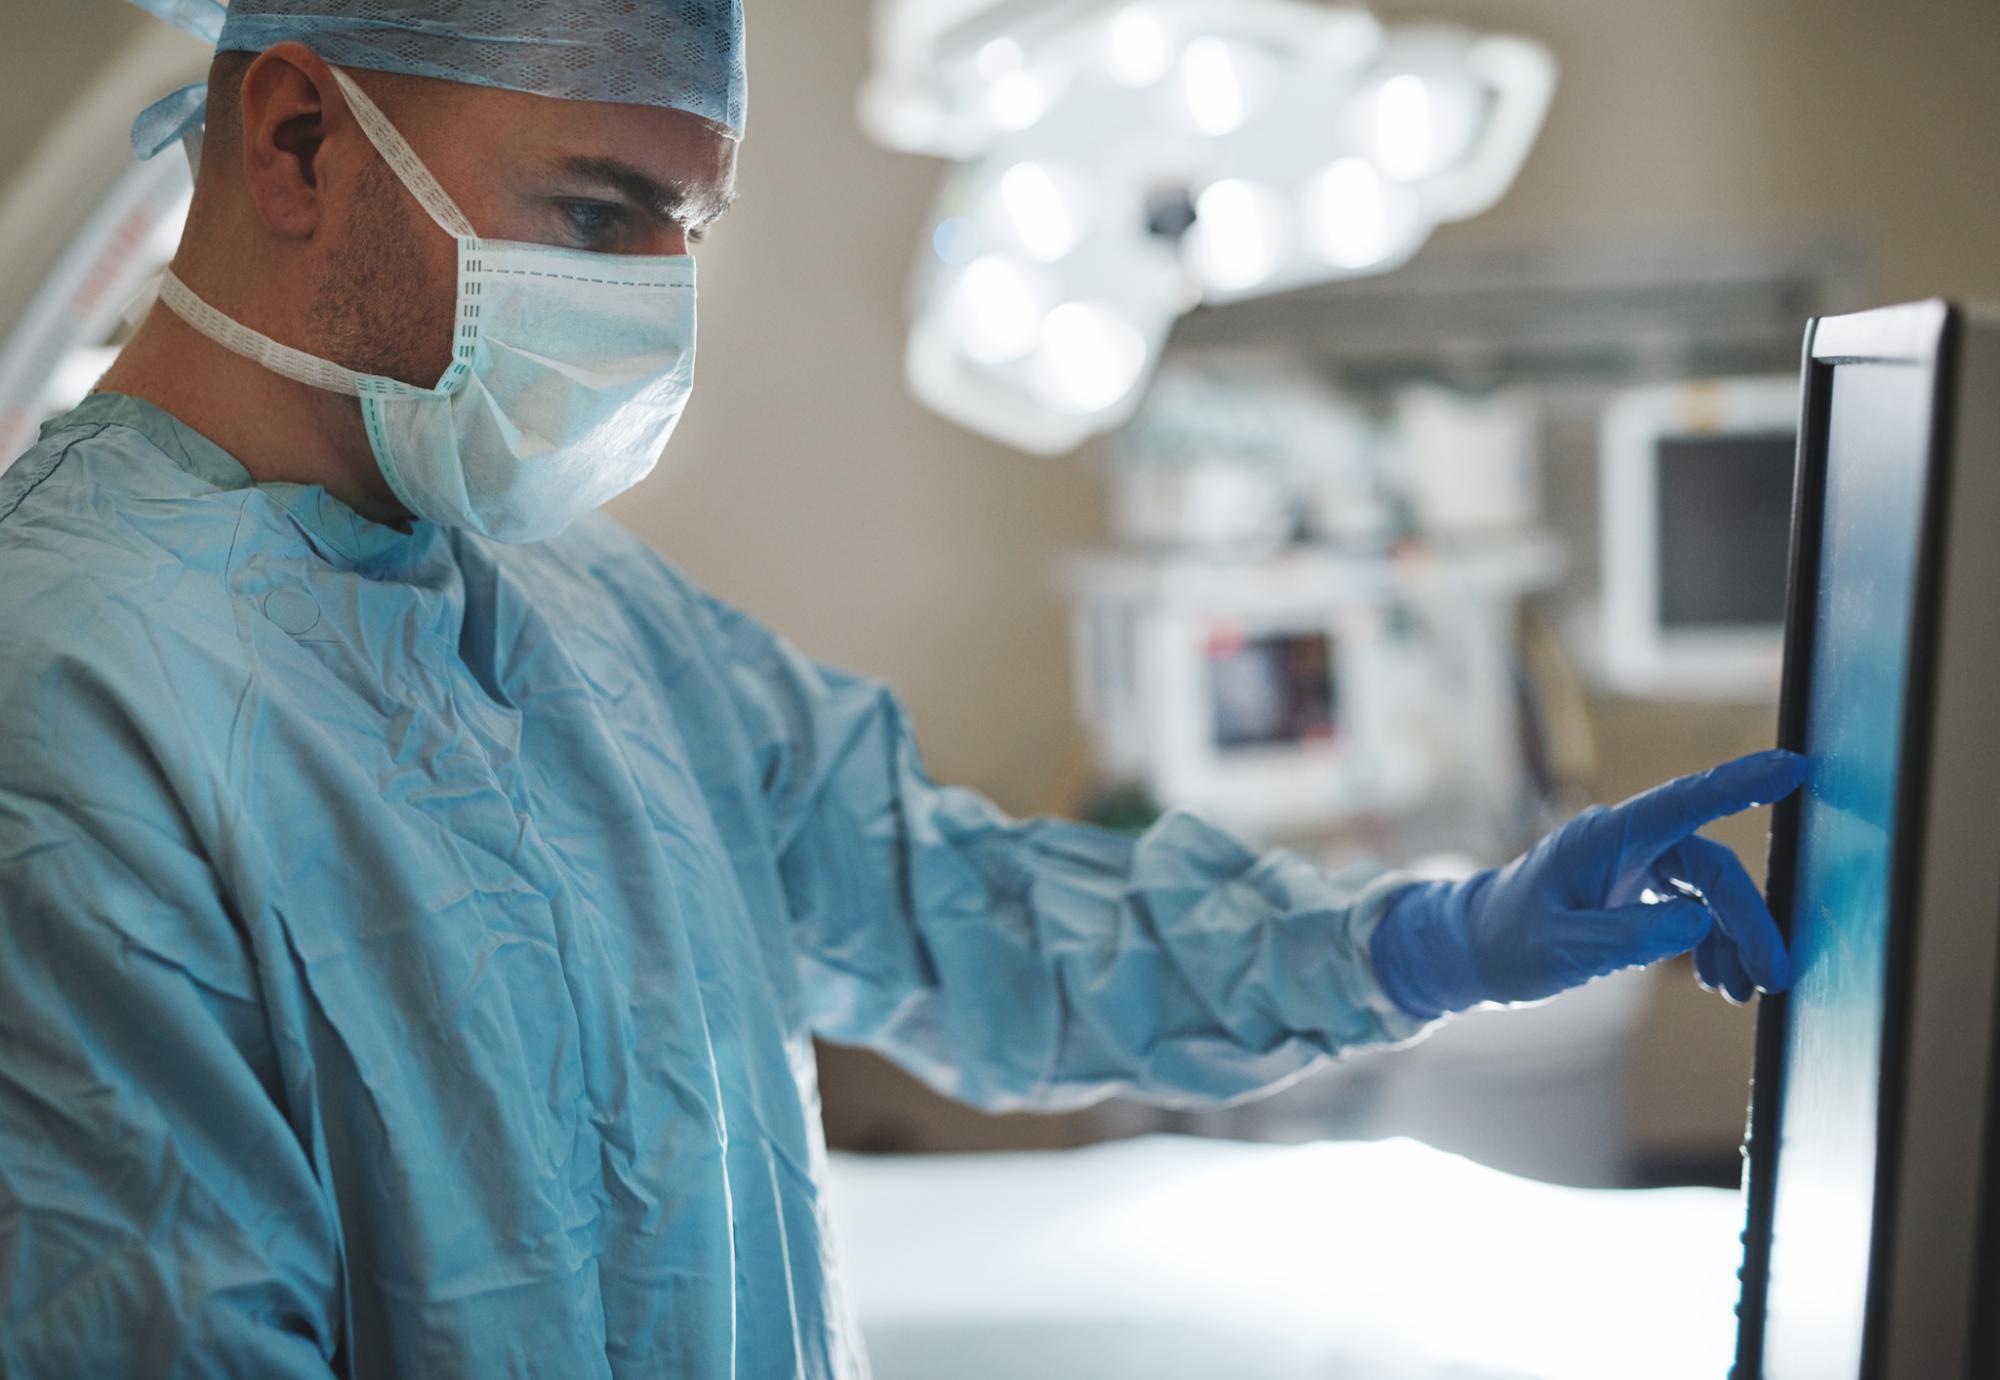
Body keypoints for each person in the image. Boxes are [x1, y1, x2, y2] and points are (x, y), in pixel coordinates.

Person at [0, 3, 1806, 1376]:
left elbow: (954, 908)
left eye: (688, 228)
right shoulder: (68, 698)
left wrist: (1425, 941)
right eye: (601, 209)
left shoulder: (577, 601)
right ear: (301, 137)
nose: (656, 303)